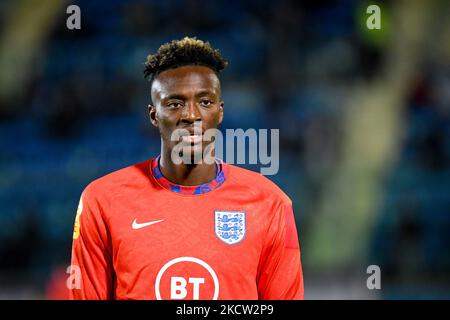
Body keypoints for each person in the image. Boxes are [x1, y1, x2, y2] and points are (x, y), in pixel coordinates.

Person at [69, 37, 304, 300]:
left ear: (220, 111)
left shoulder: (270, 203)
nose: (191, 115)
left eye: (205, 102)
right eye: (174, 103)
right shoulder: (102, 200)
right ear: (153, 116)